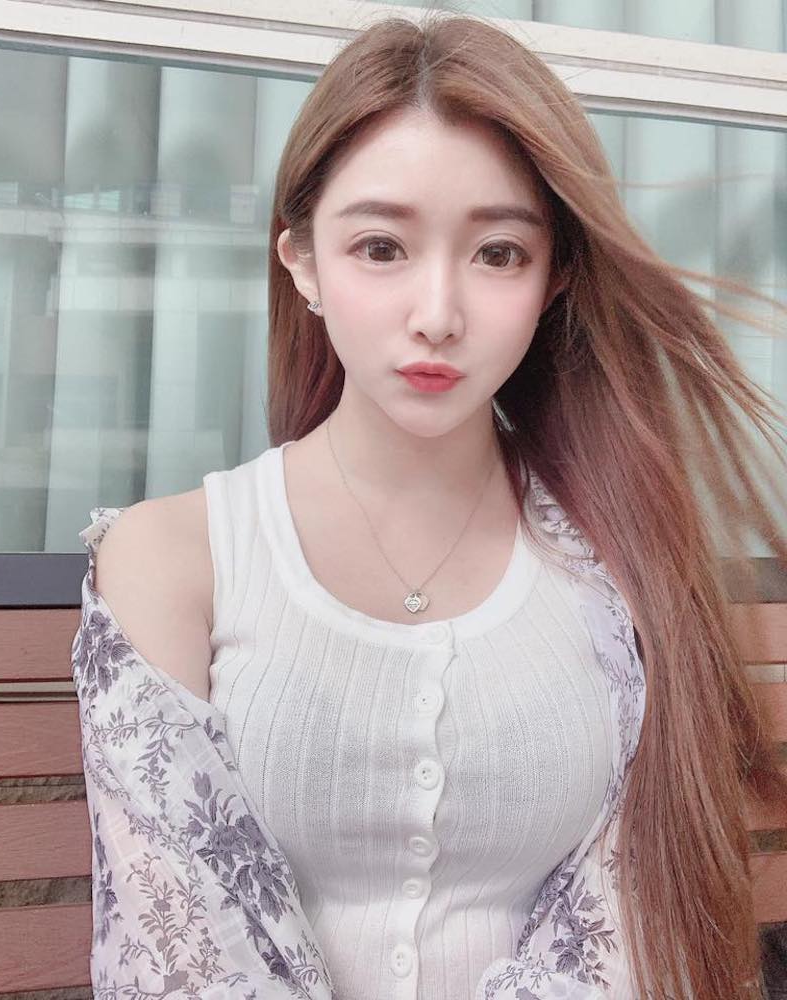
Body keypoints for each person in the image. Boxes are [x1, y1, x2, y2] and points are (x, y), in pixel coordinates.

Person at [72, 10, 787, 1000]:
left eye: (497, 253)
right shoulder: (171, 559)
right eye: (380, 247)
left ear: (554, 277)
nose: (438, 314)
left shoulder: (617, 566)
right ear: (301, 260)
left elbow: (623, 941)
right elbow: (178, 953)